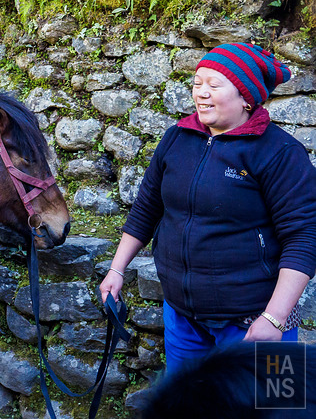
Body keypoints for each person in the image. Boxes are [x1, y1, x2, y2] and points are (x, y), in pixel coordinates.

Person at [99, 42, 316, 371]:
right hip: (184, 320)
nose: (201, 92)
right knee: (188, 399)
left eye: (214, 85)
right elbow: (146, 208)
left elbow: (304, 236)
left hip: (257, 323)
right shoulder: (177, 138)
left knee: (276, 399)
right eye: (197, 83)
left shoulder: (281, 153)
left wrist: (275, 318)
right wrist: (117, 270)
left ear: (246, 97)